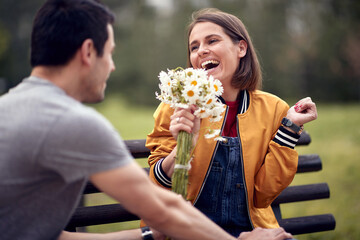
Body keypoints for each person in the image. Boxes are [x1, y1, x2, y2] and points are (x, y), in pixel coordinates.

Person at [0, 1, 258, 240]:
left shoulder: (8, 107)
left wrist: (147, 235)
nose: (112, 66)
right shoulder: (73, 123)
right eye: (110, 53)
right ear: (89, 51)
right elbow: (163, 209)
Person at [145, 8, 318, 237]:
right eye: (194, 47)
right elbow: (157, 185)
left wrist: (289, 129)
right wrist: (182, 147)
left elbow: (263, 195)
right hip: (188, 230)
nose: (201, 51)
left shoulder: (273, 109)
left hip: (254, 230)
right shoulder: (178, 105)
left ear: (241, 48)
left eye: (212, 40)